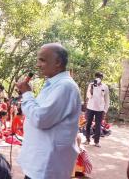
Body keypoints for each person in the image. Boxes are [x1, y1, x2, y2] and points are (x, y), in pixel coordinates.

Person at [16, 43, 81, 179]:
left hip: (47, 166)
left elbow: (41, 119)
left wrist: (27, 94)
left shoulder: (65, 86)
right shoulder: (54, 84)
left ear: (57, 62)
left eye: (42, 60)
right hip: (40, 162)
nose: (38, 65)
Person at [84, 72, 110, 147]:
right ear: (95, 77)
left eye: (100, 77)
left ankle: (96, 142)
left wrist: (105, 110)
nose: (98, 78)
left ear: (102, 78)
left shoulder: (105, 87)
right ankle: (87, 140)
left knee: (98, 125)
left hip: (100, 109)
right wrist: (92, 89)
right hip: (90, 108)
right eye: (97, 76)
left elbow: (107, 99)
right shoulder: (91, 85)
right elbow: (88, 96)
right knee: (88, 124)